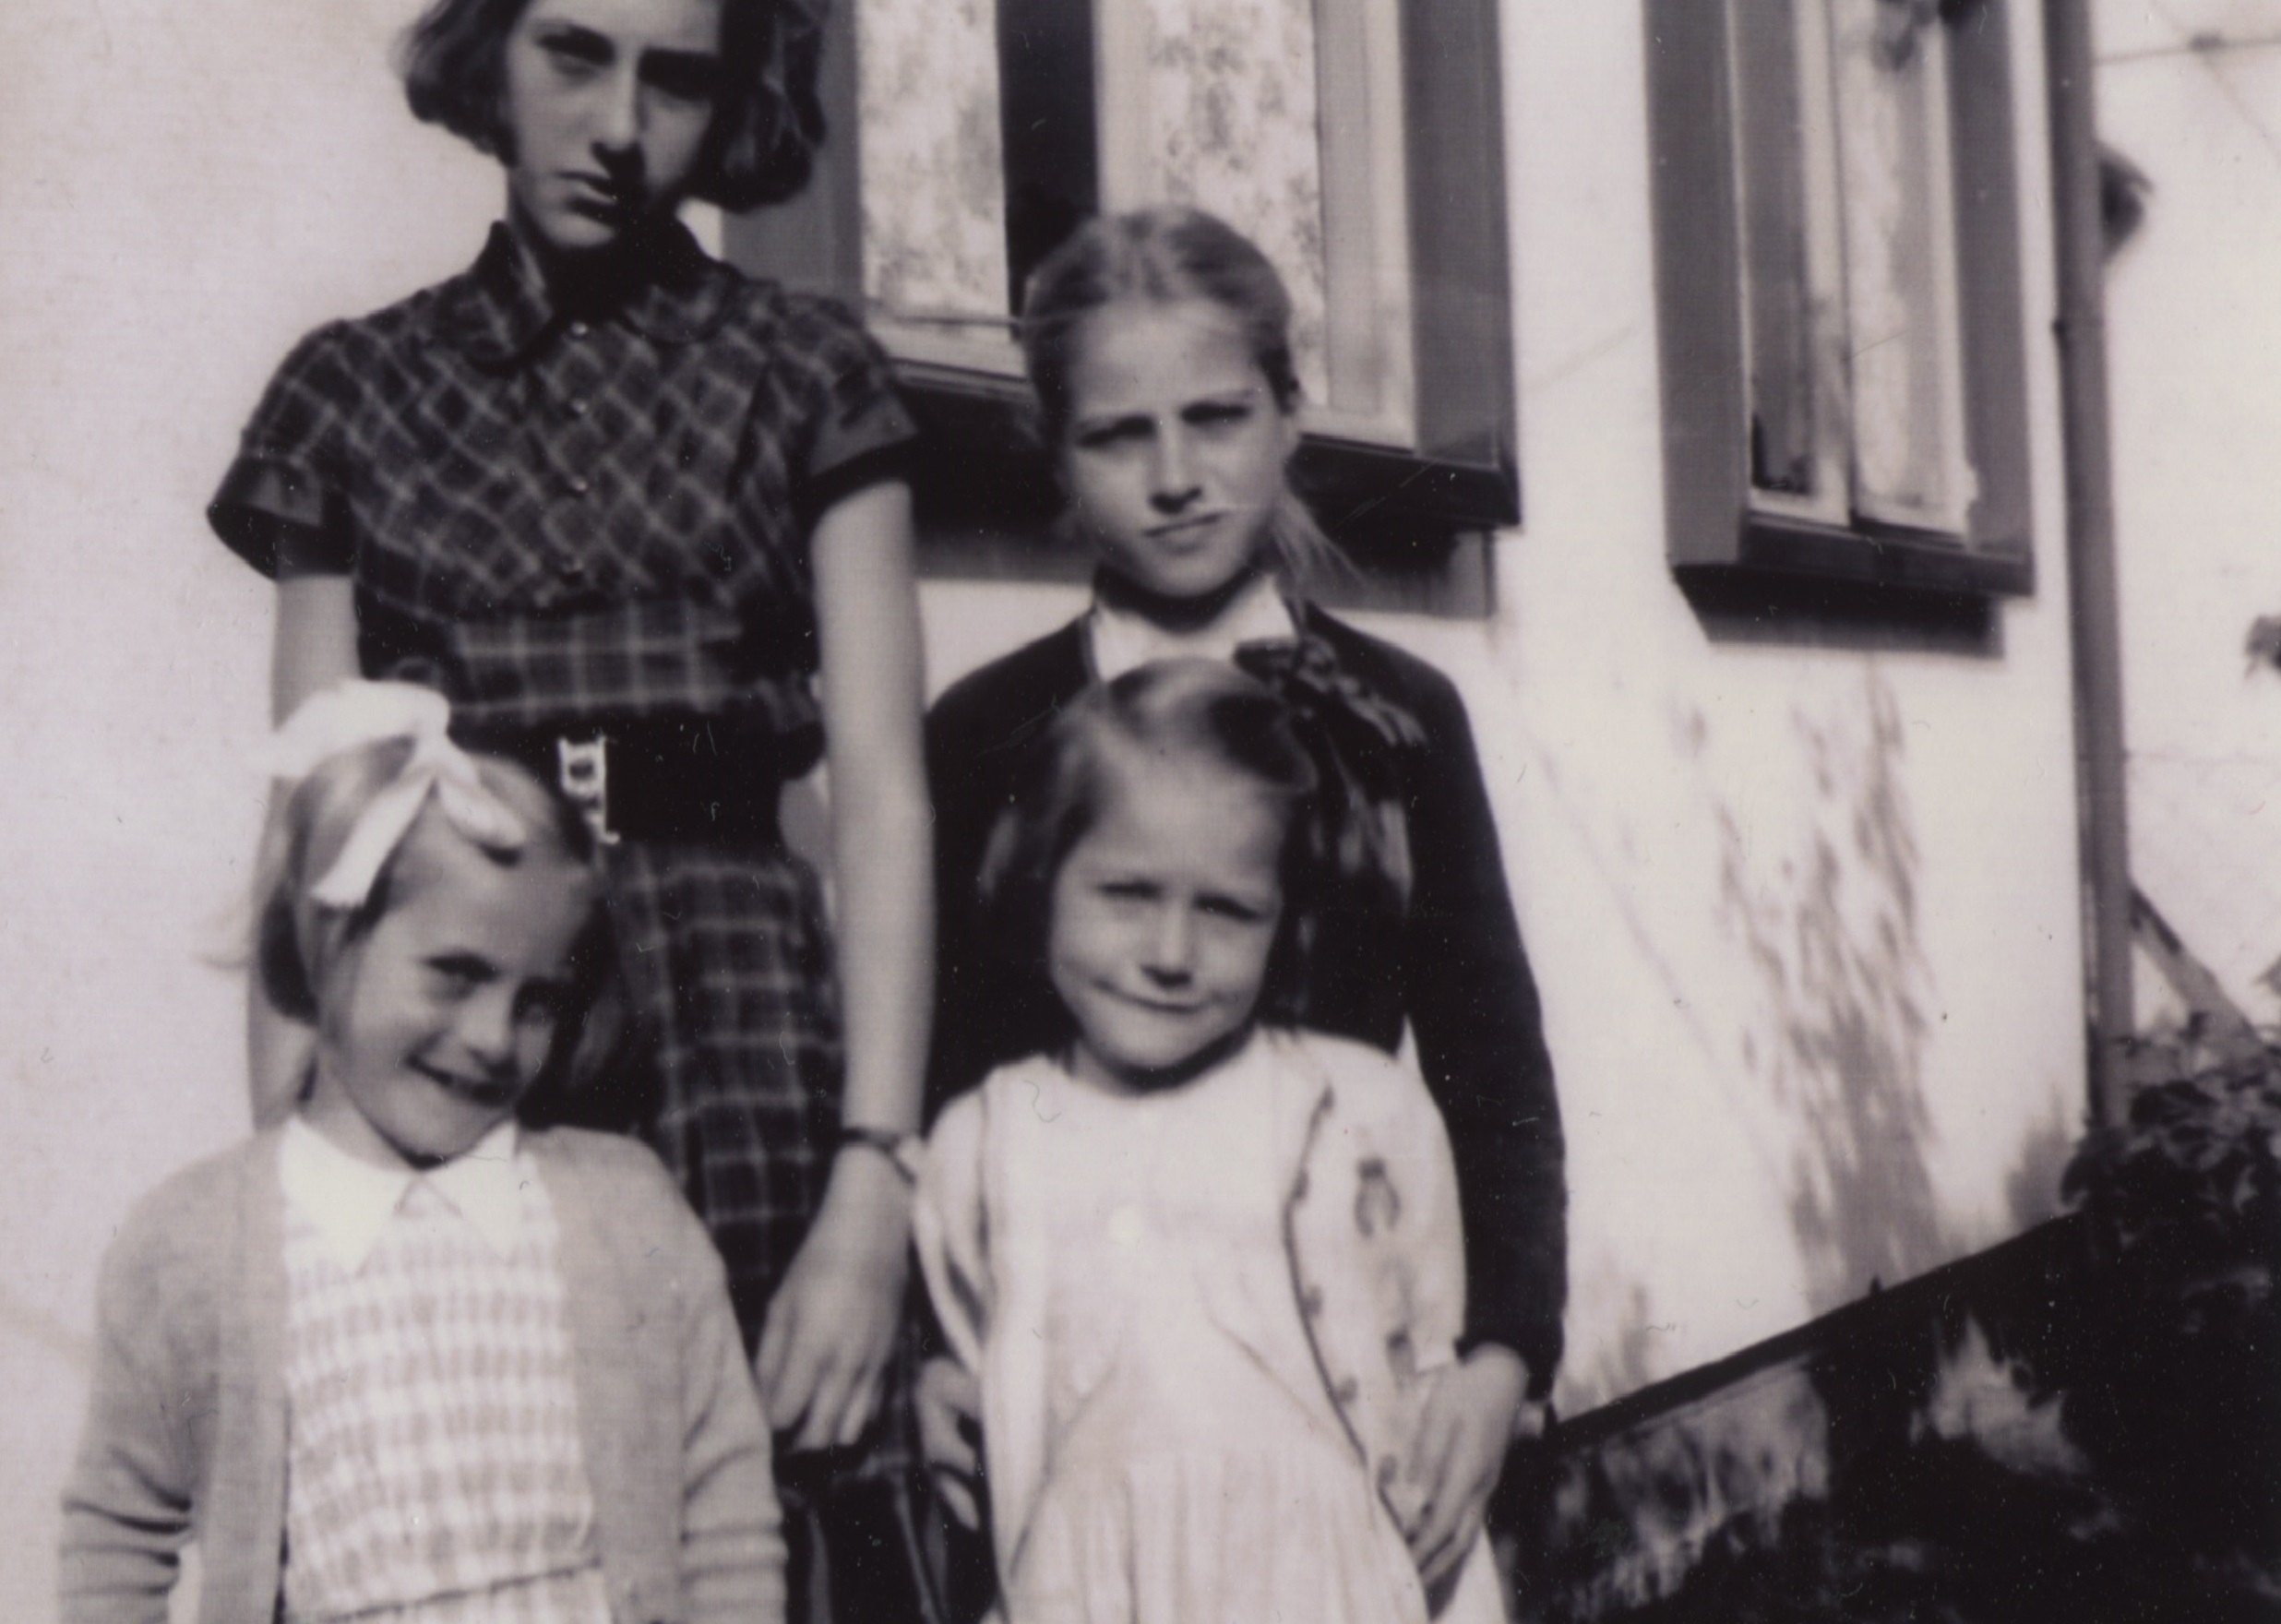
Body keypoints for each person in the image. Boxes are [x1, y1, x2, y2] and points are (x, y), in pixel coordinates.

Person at [205, 1, 934, 1609]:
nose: (619, 123)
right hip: (480, 1028)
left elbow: (881, 796)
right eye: (572, 53)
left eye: (675, 78)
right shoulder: (352, 395)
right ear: (487, 53)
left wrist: (875, 1181)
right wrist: (288, 1202)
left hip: (744, 1029)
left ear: (732, 98)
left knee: (769, 1509)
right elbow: (312, 851)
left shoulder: (804, 374)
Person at [923, 206, 1565, 1592]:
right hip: (1092, 1397)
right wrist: (936, 1353)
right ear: (1055, 457)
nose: (1175, 478)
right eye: (1117, 434)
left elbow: (1489, 1052)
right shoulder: (989, 734)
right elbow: (947, 1068)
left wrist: (1505, 1354)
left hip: (1335, 1369)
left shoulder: (1396, 719)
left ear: (1288, 414)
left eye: (1216, 417)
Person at [59, 682, 783, 1624]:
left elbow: (725, 1512)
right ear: (330, 943)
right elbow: (115, 1539)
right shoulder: (191, 1243)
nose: (493, 1036)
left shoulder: (624, 1205)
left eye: (538, 999)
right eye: (457, 974)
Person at [916, 660, 1507, 1624]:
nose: (1171, 954)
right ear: (1041, 881)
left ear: (1286, 919)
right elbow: (978, 1365)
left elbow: (1422, 1370)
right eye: (1126, 893)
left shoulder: (1358, 1109)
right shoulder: (982, 1144)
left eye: (1227, 909)